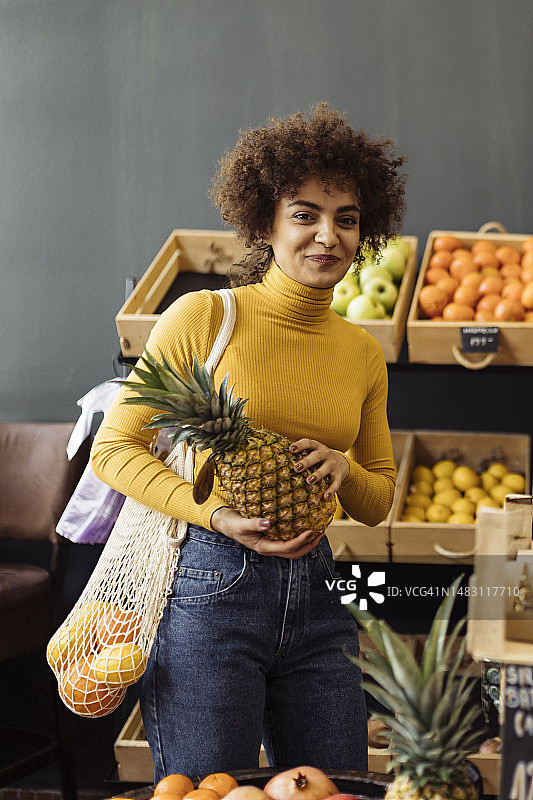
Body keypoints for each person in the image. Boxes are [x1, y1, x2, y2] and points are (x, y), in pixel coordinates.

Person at [91, 103, 406, 779]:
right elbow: (113, 449)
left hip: (318, 592)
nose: (328, 235)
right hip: (211, 587)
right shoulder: (204, 316)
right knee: (210, 791)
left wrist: (343, 467)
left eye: (347, 219)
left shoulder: (361, 352)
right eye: (305, 215)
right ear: (266, 222)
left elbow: (378, 500)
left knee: (334, 790)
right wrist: (214, 514)